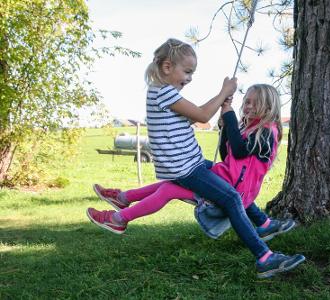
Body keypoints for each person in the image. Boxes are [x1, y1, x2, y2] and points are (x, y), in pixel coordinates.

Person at [87, 38, 305, 278]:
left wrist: (224, 110)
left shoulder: (161, 93)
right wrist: (224, 96)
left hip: (188, 165)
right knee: (232, 198)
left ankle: (121, 205)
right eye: (187, 71)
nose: (190, 78)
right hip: (187, 166)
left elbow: (208, 128)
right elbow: (203, 117)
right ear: (168, 67)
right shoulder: (165, 93)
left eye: (192, 73)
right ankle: (265, 257)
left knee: (170, 189)